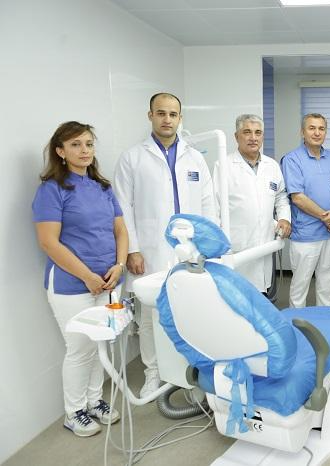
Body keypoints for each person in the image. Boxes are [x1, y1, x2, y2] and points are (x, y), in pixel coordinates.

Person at [114, 92, 216, 398]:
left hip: (191, 250)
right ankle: (153, 372)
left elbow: (208, 204)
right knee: (151, 316)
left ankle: (190, 369)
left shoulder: (195, 158)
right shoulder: (133, 158)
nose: (167, 119)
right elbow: (123, 208)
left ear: (180, 118)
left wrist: (209, 243)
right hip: (150, 251)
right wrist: (132, 249)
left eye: (173, 114)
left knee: (192, 311)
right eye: (161, 113)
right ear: (150, 116)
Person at [32, 121, 125, 437]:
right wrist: (87, 276)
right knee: (80, 349)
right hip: (72, 286)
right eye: (75, 144)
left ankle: (94, 401)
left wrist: (119, 265)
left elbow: (120, 230)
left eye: (88, 144)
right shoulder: (52, 190)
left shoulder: (103, 187)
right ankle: (74, 413)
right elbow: (48, 242)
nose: (84, 150)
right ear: (60, 152)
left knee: (99, 345)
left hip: (108, 281)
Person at [212, 114, 291, 293]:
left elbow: (281, 197)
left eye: (258, 132)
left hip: (264, 244)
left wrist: (284, 219)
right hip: (236, 245)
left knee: (261, 294)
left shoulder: (272, 165)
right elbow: (214, 206)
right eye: (247, 132)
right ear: (236, 136)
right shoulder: (223, 165)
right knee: (236, 296)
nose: (253, 137)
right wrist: (216, 244)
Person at [281, 113, 330, 308]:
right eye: (312, 128)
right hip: (306, 235)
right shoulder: (293, 159)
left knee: (327, 285)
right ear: (302, 132)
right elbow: (297, 197)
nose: (317, 133)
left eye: (321, 128)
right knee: (300, 287)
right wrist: (326, 217)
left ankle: (324, 322)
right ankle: (295, 323)